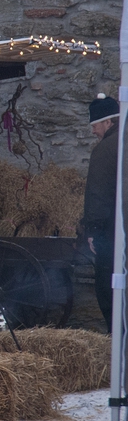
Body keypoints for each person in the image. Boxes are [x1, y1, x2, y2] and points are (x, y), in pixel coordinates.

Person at [81, 93, 119, 332]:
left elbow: (97, 193)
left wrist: (92, 230)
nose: (93, 131)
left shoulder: (104, 150)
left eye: (95, 125)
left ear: (108, 122)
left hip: (112, 234)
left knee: (107, 290)